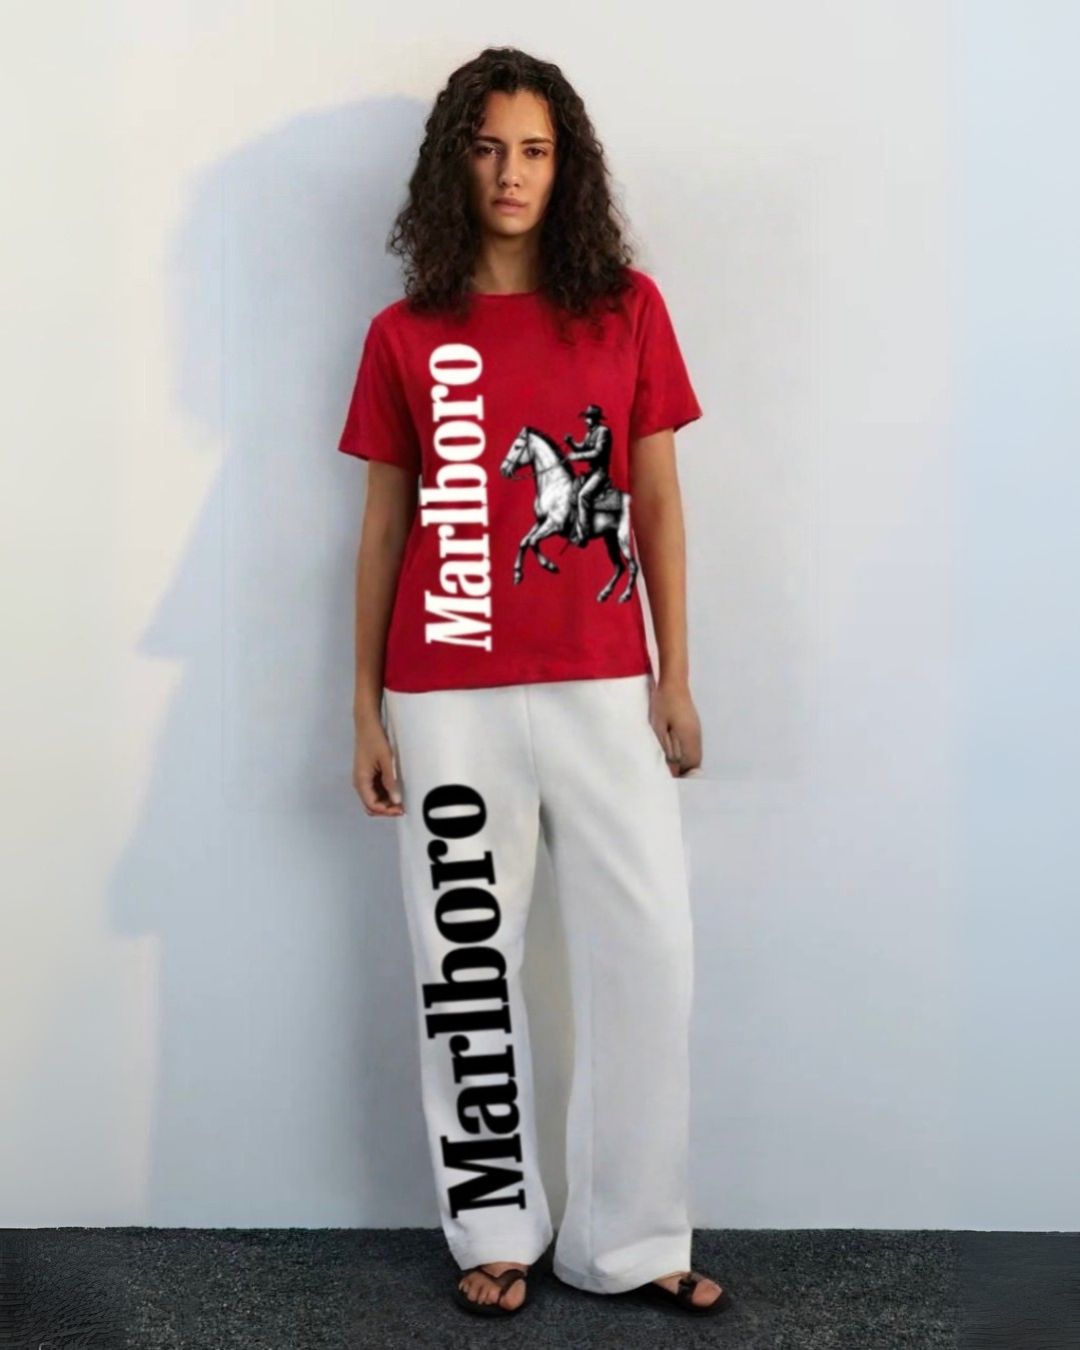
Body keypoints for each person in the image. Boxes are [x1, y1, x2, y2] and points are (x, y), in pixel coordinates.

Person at [337, 45, 732, 1322]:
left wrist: (675, 675)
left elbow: (657, 500)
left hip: (605, 683)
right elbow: (384, 528)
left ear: (569, 169)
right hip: (443, 691)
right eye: (488, 147)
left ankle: (630, 1238)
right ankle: (493, 1227)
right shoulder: (406, 335)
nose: (511, 172)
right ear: (454, 164)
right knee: (467, 964)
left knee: (649, 949)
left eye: (536, 150)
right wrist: (362, 707)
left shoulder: (626, 309)